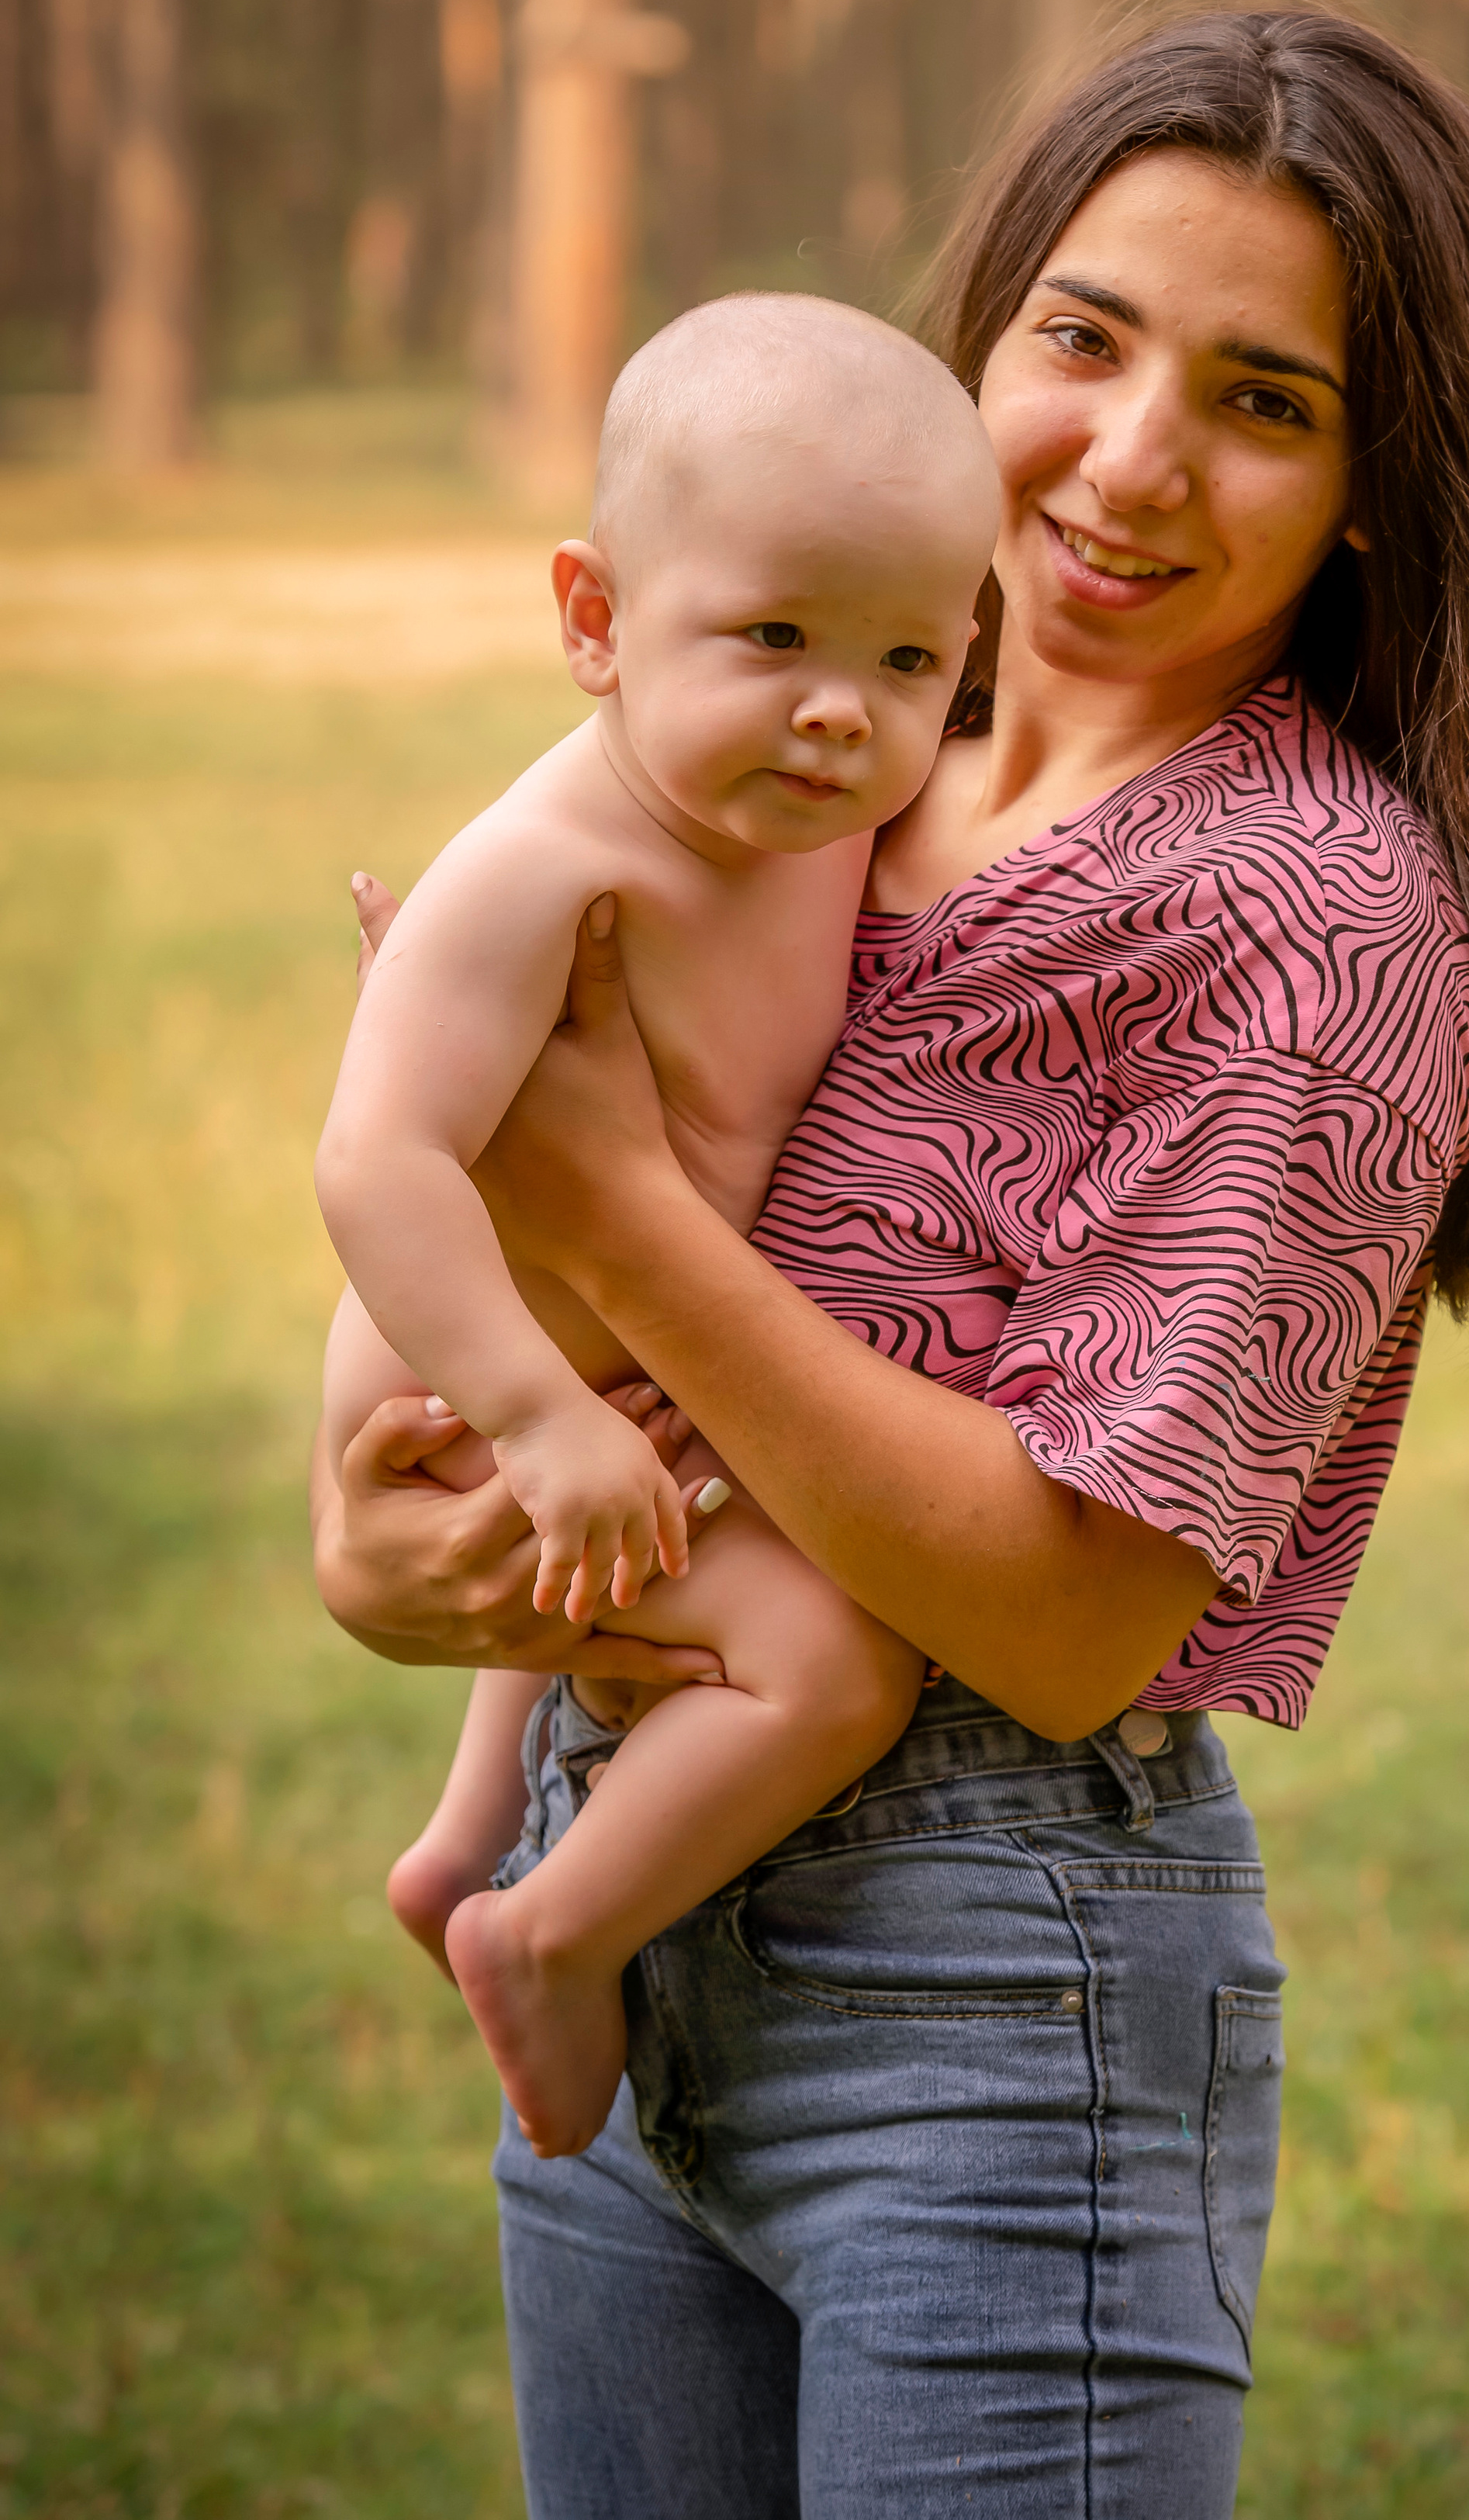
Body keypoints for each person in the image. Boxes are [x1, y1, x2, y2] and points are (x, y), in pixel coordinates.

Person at [311, 0, 1469, 2518]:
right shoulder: (827, 736)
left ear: (1369, 493)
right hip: (617, 1902)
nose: (1128, 452)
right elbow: (455, 1209)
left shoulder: (1322, 929)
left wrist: (614, 1210)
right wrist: (392, 1543)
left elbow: (1076, 1607)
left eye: (1266, 398)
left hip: (997, 2006)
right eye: (1079, 339)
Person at [316, 293, 999, 2156]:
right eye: (770, 635)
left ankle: (464, 1841)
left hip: (624, 1353)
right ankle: (550, 1927)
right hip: (469, 1378)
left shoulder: (824, 810)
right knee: (832, 1664)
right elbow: (379, 1159)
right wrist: (537, 1419)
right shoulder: (550, 867)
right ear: (596, 622)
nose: (838, 706)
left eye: (907, 658)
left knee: (622, 1550)